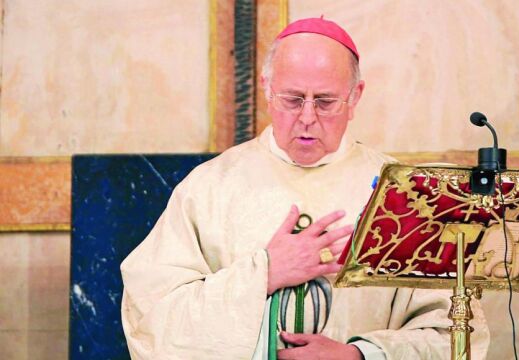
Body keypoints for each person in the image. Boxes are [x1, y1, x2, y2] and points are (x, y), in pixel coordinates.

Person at [120, 17, 490, 359]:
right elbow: (150, 320)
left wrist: (360, 355)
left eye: (326, 101)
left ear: (356, 96)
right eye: (292, 99)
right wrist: (264, 273)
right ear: (266, 88)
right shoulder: (210, 187)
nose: (308, 117)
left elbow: (458, 334)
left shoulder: (408, 195)